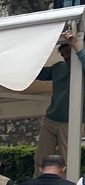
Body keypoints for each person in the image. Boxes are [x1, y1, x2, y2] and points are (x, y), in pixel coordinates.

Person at [35, 29, 85, 170]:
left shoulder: (82, 67)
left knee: (69, 161)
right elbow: (38, 73)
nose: (66, 57)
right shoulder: (59, 67)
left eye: (68, 52)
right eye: (63, 55)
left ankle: (68, 183)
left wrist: (76, 45)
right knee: (40, 159)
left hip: (71, 123)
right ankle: (38, 180)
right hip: (51, 119)